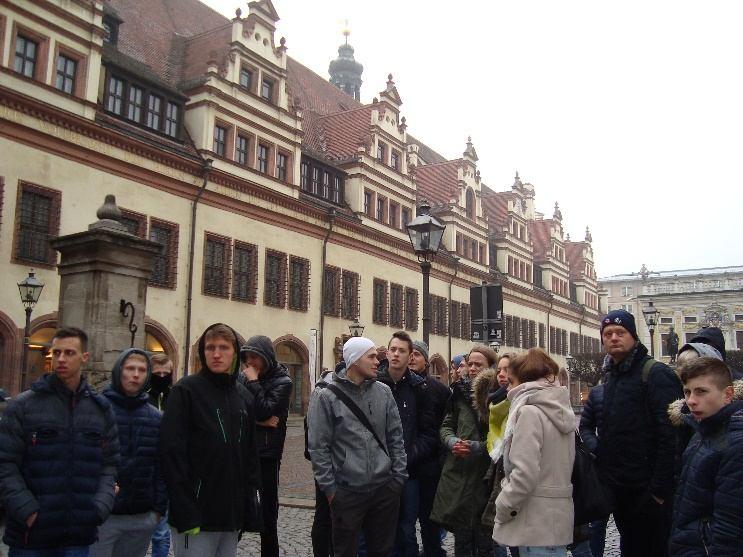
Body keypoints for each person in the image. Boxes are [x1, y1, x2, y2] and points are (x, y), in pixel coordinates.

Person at [0, 326, 120, 556]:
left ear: (85, 357)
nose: (61, 359)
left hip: (78, 534)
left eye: (69, 353)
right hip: (31, 536)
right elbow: (5, 464)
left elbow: (110, 464)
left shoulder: (100, 410)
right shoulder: (23, 406)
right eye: (56, 353)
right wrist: (27, 510)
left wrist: (99, 507)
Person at [159, 323, 261, 557]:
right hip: (197, 513)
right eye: (210, 347)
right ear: (203, 353)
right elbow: (171, 453)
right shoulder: (186, 391)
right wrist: (184, 508)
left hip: (231, 515)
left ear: (235, 354)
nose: (216, 354)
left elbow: (250, 456)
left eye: (224, 348)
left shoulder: (243, 396)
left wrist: (249, 505)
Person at [307, 337, 407, 557]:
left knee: (382, 551)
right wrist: (331, 490)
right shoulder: (326, 395)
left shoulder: (383, 392)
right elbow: (318, 447)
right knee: (345, 552)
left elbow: (395, 438)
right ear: (354, 360)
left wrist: (398, 478)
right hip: (347, 490)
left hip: (384, 489)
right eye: (371, 357)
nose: (377, 362)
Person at [594, 310, 683, 557]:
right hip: (620, 489)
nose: (613, 338)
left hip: (647, 491)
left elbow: (670, 436)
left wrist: (658, 492)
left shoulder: (655, 374)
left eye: (620, 332)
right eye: (607, 333)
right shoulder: (612, 375)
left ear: (633, 336)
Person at [491, 349, 575, 556]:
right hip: (554, 521)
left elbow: (524, 474)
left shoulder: (529, 412)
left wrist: (503, 505)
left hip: (533, 521)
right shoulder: (559, 409)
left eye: (511, 381)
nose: (508, 387)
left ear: (523, 381)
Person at [90, 349, 166, 557]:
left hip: (141, 516)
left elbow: (161, 465)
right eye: (130, 368)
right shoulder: (97, 410)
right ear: (118, 371)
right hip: (105, 515)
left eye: (141, 370)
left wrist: (157, 509)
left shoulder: (155, 418)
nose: (136, 374)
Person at [669, 357, 743, 556]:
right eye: (687, 392)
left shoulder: (735, 444)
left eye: (701, 391)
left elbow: (730, 528)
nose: (691, 400)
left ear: (728, 395)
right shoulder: (702, 431)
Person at [430, 345, 497, 557]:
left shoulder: (498, 395)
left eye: (479, 364)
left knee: (486, 542)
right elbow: (446, 425)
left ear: (491, 367)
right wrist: (451, 442)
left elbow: (502, 437)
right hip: (461, 475)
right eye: (470, 364)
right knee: (462, 540)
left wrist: (478, 447)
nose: (473, 368)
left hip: (487, 476)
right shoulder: (458, 392)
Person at [375, 333, 437, 557]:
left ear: (410, 356)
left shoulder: (419, 389)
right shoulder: (374, 384)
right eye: (392, 349)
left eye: (401, 351)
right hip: (379, 472)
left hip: (409, 471)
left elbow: (429, 433)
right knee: (381, 530)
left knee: (406, 530)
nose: (395, 354)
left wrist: (408, 456)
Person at [239, 335, 293, 557]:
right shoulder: (243, 378)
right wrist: (260, 421)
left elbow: (264, 409)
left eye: (255, 357)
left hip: (267, 453)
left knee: (268, 513)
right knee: (238, 506)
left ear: (266, 358)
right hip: (242, 448)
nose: (250, 363)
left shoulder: (284, 382)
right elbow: (237, 410)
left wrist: (253, 383)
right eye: (247, 358)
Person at [409, 344, 450, 557]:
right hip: (406, 465)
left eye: (417, 354)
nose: (412, 358)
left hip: (430, 466)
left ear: (426, 360)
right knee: (405, 522)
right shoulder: (398, 385)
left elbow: (446, 425)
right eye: (411, 353)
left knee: (429, 520)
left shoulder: (440, 390)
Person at [576, 382, 609, 557]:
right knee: (597, 525)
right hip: (601, 470)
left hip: (633, 472)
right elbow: (585, 427)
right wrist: (597, 449)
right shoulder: (598, 393)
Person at [147, 353, 173, 557]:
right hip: (144, 465)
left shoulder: (175, 395)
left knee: (162, 532)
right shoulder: (143, 395)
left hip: (166, 467)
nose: (162, 376)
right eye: (158, 373)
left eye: (167, 373)